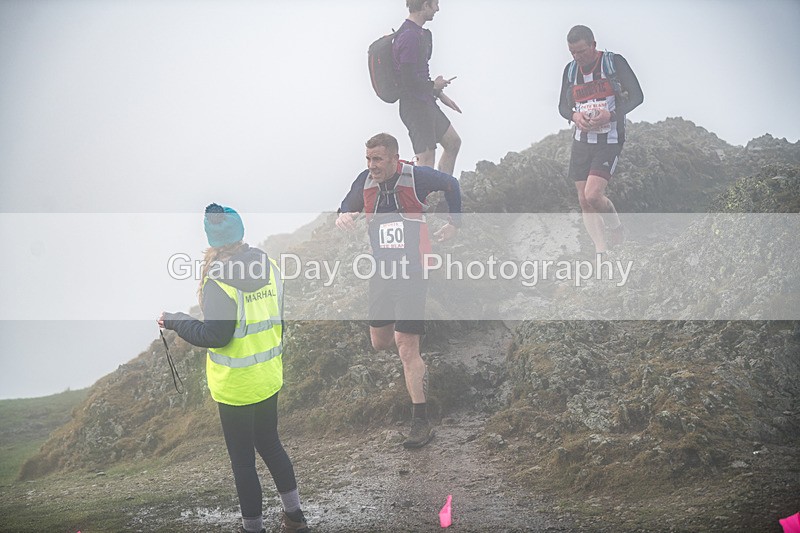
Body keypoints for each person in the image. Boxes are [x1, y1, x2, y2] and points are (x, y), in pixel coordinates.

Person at [158, 204, 309, 533]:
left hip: (236, 386)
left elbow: (216, 336)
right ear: (239, 232)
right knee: (271, 444)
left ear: (211, 238)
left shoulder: (217, 282)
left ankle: (252, 528)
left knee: (243, 462)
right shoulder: (268, 265)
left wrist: (177, 321)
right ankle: (295, 517)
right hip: (268, 375)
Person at [336, 132, 461, 448]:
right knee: (380, 342)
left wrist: (454, 223)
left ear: (394, 158)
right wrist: (344, 215)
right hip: (382, 274)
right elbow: (347, 204)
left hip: (413, 271)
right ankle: (416, 356)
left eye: (377, 159)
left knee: (406, 345)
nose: (371, 165)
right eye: (368, 159)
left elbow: (452, 185)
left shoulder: (416, 177)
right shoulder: (365, 181)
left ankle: (421, 421)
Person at [558, 24, 643, 255]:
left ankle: (616, 227)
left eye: (582, 51)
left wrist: (611, 115)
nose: (577, 57)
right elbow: (562, 107)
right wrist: (575, 115)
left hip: (610, 138)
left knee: (593, 195)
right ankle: (601, 251)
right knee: (584, 201)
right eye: (572, 52)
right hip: (582, 141)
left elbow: (638, 96)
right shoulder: (570, 70)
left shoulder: (613, 62)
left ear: (593, 45)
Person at [393, 0, 462, 176]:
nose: (438, 8)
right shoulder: (409, 36)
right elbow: (408, 81)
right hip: (414, 107)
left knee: (453, 142)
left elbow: (419, 74)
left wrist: (439, 92)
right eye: (435, 4)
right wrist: (434, 85)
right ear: (425, 5)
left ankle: (442, 190)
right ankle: (426, 201)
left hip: (426, 101)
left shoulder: (420, 33)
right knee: (426, 160)